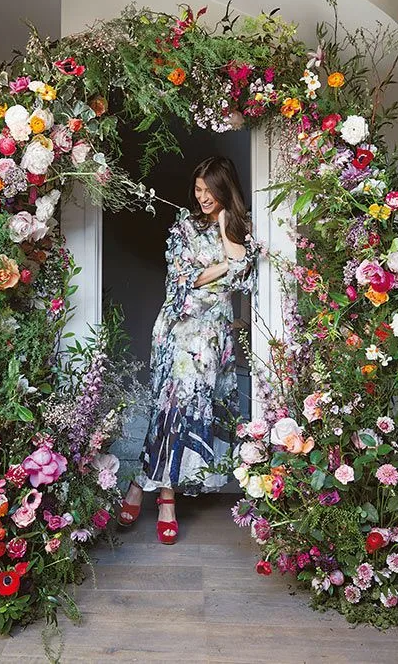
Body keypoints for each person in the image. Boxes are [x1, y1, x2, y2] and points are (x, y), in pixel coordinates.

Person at [118, 156, 258, 544]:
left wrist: (227, 238)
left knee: (188, 415)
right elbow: (183, 279)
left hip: (212, 339)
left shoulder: (238, 226)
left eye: (208, 190)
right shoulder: (184, 225)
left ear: (224, 188)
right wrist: (224, 268)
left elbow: (243, 271)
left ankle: (136, 486)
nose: (201, 197)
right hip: (178, 331)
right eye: (197, 190)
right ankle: (166, 502)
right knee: (170, 409)